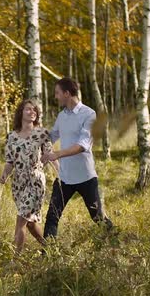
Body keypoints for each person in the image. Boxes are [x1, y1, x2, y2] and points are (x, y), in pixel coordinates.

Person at [40, 77, 113, 240]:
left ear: (67, 93)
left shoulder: (89, 114)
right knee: (52, 216)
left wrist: (57, 154)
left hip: (85, 176)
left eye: (58, 93)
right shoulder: (62, 115)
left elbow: (82, 145)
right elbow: (52, 136)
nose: (56, 96)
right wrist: (34, 135)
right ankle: (48, 255)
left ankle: (115, 240)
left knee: (97, 217)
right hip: (64, 177)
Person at [0, 99, 57, 253]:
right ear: (21, 113)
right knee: (30, 223)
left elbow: (51, 156)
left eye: (35, 110)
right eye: (28, 109)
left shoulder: (42, 134)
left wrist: (62, 174)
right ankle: (51, 250)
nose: (33, 112)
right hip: (18, 183)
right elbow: (9, 161)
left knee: (20, 220)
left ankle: (16, 258)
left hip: (35, 181)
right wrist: (5, 174)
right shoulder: (11, 136)